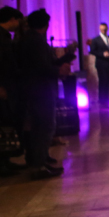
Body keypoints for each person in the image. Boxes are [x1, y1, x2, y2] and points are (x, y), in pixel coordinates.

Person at [18, 9, 76, 178]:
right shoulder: (36, 41)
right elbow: (41, 68)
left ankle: (39, 162)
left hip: (34, 89)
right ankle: (38, 166)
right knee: (45, 126)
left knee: (39, 127)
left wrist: (63, 60)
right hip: (41, 89)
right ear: (45, 24)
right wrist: (59, 70)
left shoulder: (27, 39)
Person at [0, 7, 24, 176]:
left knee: (6, 122)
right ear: (11, 19)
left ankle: (5, 161)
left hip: (8, 85)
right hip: (3, 86)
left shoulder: (5, 36)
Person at [90, 22, 109, 108]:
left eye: (105, 29)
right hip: (101, 63)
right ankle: (102, 100)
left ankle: (107, 99)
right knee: (103, 81)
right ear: (100, 29)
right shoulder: (96, 40)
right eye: (102, 29)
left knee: (108, 81)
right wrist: (103, 54)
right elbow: (92, 51)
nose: (104, 31)